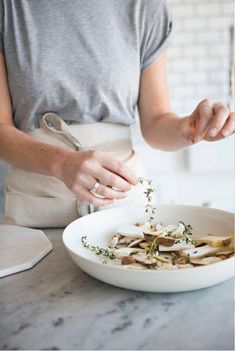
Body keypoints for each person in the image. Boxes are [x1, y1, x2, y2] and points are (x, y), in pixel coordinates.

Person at [0, 0, 234, 228]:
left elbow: (156, 122)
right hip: (35, 213)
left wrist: (187, 129)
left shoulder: (146, 5)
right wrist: (61, 163)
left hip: (124, 213)